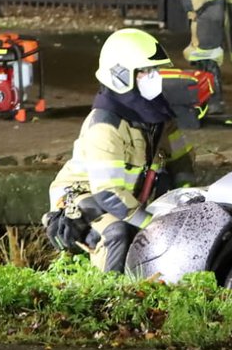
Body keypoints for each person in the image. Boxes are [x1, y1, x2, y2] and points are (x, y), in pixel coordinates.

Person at [42, 29, 196, 272]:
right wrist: (149, 223)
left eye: (154, 70)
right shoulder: (105, 125)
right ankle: (110, 291)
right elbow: (108, 194)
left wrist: (187, 203)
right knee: (119, 233)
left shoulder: (158, 115)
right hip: (86, 198)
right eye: (145, 72)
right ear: (121, 75)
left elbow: (182, 161)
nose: (153, 77)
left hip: (129, 195)